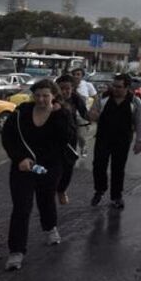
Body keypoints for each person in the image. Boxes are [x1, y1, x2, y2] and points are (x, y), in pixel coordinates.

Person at [1, 79, 77, 270]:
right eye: (38, 95)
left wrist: (58, 114)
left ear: (53, 96)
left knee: (45, 200)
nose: (41, 99)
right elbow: (8, 137)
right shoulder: (21, 113)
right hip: (24, 167)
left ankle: (50, 227)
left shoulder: (62, 114)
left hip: (50, 167)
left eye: (46, 95)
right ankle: (16, 251)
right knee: (21, 207)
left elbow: (67, 138)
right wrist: (19, 158)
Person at [87, 74, 141, 209]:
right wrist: (93, 114)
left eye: (119, 87)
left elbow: (139, 122)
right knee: (98, 165)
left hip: (122, 140)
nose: (116, 89)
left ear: (127, 88)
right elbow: (93, 112)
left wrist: (139, 141)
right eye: (114, 86)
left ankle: (116, 196)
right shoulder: (103, 98)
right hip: (103, 138)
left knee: (118, 168)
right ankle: (100, 189)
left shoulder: (135, 102)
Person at [54, 74, 87, 205]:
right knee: (53, 167)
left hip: (70, 137)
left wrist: (94, 116)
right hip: (53, 138)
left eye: (68, 88)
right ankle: (49, 191)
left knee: (68, 166)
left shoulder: (76, 98)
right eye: (62, 88)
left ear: (72, 88)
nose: (65, 91)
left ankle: (61, 190)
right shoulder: (51, 99)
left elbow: (85, 114)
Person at [71, 67, 96, 158]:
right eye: (74, 74)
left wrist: (93, 110)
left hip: (81, 115)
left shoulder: (87, 85)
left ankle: (83, 146)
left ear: (82, 76)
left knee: (80, 135)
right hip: (70, 114)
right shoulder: (69, 85)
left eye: (78, 74)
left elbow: (95, 97)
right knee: (70, 135)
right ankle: (72, 152)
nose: (76, 76)